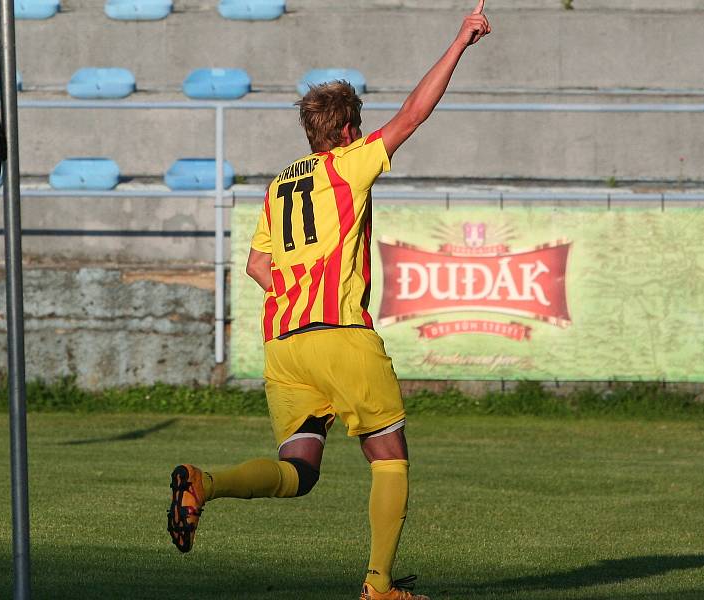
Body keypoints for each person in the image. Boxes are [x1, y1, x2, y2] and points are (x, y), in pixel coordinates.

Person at [167, 3, 490, 599]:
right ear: (346, 133)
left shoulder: (278, 185)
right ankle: (378, 587)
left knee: (300, 472)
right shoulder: (349, 165)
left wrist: (294, 292)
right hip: (339, 334)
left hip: (285, 346)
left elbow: (258, 265)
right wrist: (460, 40)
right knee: (390, 457)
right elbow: (415, 113)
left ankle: (204, 483)